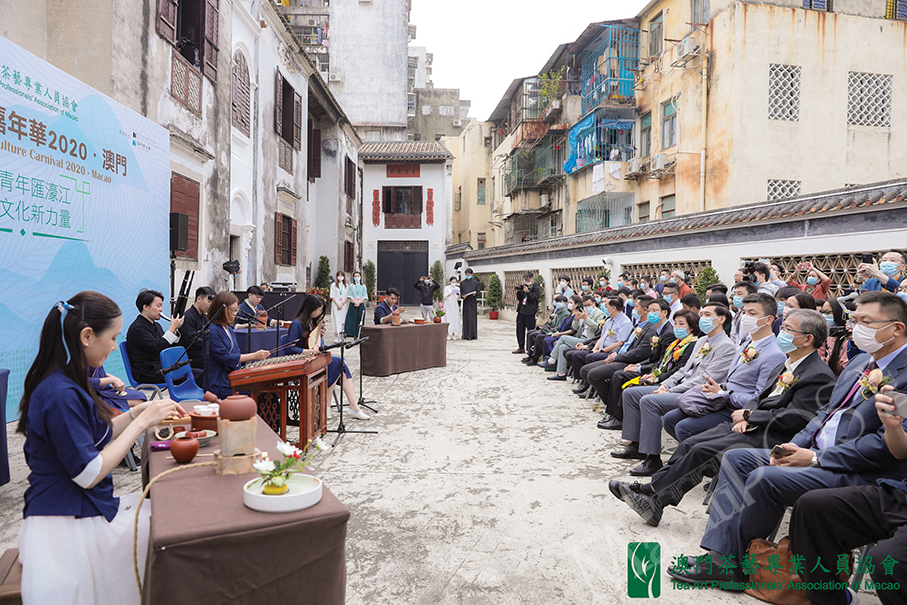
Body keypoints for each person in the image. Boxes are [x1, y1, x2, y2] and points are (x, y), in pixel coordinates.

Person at [669, 291, 907, 589]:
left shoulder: (903, 375)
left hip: (857, 472)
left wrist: (817, 458)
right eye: (854, 319)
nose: (854, 327)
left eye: (866, 321)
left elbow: (886, 444)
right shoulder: (860, 365)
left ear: (897, 328)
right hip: (815, 453)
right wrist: (797, 445)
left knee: (765, 477)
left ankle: (740, 566)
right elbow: (824, 413)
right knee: (737, 457)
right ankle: (724, 555)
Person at [16, 292, 187, 604]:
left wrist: (139, 414)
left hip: (78, 509)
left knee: (167, 519)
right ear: (86, 336)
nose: (113, 346)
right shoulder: (60, 393)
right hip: (65, 524)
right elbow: (88, 471)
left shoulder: (68, 381)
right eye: (112, 338)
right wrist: (138, 423)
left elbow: (99, 434)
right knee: (171, 535)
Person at [612, 309, 835, 528]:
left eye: (787, 329)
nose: (781, 333)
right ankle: (653, 493)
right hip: (753, 425)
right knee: (691, 442)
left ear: (807, 339)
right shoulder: (786, 364)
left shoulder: (818, 374)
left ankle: (654, 496)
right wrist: (747, 415)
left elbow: (794, 419)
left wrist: (750, 416)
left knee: (703, 450)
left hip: (774, 437)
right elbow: (759, 397)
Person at [789, 387, 907, 605]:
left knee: (886, 561)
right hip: (902, 494)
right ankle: (830, 599)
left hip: (849, 466)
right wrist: (894, 427)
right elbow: (901, 450)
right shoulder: (860, 368)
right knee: (813, 507)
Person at [614, 302, 736, 475]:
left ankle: (653, 459)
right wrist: (666, 384)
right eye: (702, 314)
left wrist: (671, 391)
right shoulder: (702, 340)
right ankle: (636, 445)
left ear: (721, 319)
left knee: (649, 402)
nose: (703, 318)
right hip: (680, 388)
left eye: (708, 315)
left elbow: (705, 378)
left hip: (697, 393)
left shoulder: (726, 346)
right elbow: (684, 370)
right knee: (631, 393)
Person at [661, 293, 787, 444]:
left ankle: (701, 459)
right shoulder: (745, 345)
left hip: (737, 409)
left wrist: (724, 393)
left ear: (769, 320)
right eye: (745, 312)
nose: (746, 317)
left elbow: (760, 398)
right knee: (670, 419)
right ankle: (693, 455)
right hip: (721, 400)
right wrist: (718, 388)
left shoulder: (774, 354)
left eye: (752, 313)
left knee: (684, 428)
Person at [285, 295, 370, 419]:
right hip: (301, 361)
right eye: (319, 310)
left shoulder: (312, 322)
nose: (320, 313)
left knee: (339, 365)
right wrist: (309, 351)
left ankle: (349, 406)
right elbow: (290, 349)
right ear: (310, 309)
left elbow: (318, 344)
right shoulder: (297, 324)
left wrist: (321, 336)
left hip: (312, 358)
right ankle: (340, 407)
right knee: (337, 364)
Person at [601, 309, 700, 402]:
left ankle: (618, 417)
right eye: (675, 323)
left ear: (691, 327)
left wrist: (657, 378)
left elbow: (679, 368)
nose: (677, 327)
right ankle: (616, 416)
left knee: (626, 384)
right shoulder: (677, 342)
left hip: (670, 381)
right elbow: (662, 362)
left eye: (681, 324)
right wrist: (651, 373)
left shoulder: (691, 344)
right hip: (659, 372)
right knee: (623, 379)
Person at [203, 292, 270, 399]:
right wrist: (254, 356)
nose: (235, 313)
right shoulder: (212, 331)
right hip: (219, 381)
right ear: (221, 310)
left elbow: (236, 354)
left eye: (236, 310)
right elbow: (226, 357)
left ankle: (280, 416)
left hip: (232, 376)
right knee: (261, 394)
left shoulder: (229, 329)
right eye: (232, 310)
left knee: (267, 390)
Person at [125, 289, 187, 385]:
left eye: (161, 306)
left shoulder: (157, 326)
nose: (161, 309)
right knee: (195, 375)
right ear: (145, 307)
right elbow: (157, 347)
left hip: (160, 368)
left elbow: (166, 346)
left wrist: (175, 330)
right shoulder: (137, 328)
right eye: (158, 306)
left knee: (194, 372)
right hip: (147, 373)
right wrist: (171, 328)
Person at [181, 286, 215, 370]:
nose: (210, 305)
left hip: (202, 354)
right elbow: (192, 341)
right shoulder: (188, 317)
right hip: (191, 357)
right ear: (199, 299)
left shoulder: (205, 317)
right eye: (209, 301)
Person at [820, 296, 851, 376]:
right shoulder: (828, 335)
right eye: (822, 312)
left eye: (827, 313)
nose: (824, 316)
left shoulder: (848, 341)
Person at [514, 271, 540, 354]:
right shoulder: (523, 287)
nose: (526, 281)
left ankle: (530, 349)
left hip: (530, 313)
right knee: (519, 330)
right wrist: (518, 291)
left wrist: (528, 292)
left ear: (532, 279)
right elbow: (520, 299)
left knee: (530, 331)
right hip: (521, 311)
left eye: (528, 279)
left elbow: (533, 299)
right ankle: (521, 347)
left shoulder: (536, 288)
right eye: (525, 279)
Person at [729, 281, 758, 346]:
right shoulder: (738, 315)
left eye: (739, 294)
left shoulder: (757, 316)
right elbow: (733, 336)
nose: (735, 297)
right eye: (734, 294)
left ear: (751, 295)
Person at [344, 271, 368, 339]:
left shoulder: (363, 286)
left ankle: (359, 334)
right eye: (355, 276)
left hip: (361, 304)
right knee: (352, 319)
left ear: (360, 277)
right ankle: (352, 334)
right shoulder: (351, 286)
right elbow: (349, 295)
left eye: (358, 276)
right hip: (353, 304)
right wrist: (355, 302)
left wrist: (359, 302)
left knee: (360, 319)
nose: (357, 277)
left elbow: (364, 295)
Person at [330, 271, 349, 342]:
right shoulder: (333, 285)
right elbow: (332, 295)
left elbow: (347, 296)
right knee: (335, 319)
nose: (340, 277)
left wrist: (342, 304)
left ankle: (341, 335)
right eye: (339, 275)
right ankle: (335, 336)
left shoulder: (346, 285)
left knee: (342, 320)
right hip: (335, 305)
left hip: (343, 305)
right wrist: (338, 304)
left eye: (342, 275)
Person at [460, 269, 478, 340]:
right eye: (467, 274)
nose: (468, 276)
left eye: (469, 274)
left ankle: (473, 335)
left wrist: (475, 293)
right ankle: (466, 335)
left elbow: (478, 292)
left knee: (472, 319)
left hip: (473, 302)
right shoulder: (462, 283)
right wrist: (462, 296)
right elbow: (460, 292)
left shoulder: (475, 283)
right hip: (466, 302)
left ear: (472, 274)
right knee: (466, 318)